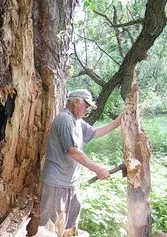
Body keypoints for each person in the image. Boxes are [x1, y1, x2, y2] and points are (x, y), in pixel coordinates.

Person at [39, 89, 121, 229]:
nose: (87, 110)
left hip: (71, 184)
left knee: (70, 228)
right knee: (51, 229)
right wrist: (98, 169)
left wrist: (118, 122)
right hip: (56, 183)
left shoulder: (78, 122)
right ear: (76, 102)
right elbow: (74, 152)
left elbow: (95, 132)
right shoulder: (64, 119)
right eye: (86, 105)